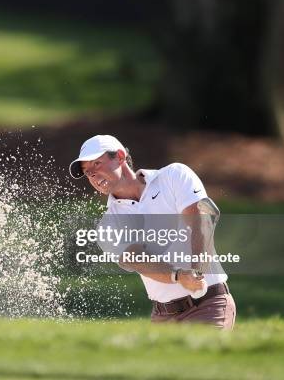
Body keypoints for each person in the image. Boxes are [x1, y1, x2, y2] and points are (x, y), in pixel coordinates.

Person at [69, 135, 236, 329]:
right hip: (163, 317)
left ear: (121, 157)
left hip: (208, 305)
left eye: (97, 164)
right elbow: (139, 260)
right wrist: (180, 276)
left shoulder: (174, 175)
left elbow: (201, 222)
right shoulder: (107, 225)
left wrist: (197, 272)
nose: (94, 176)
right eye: (88, 172)